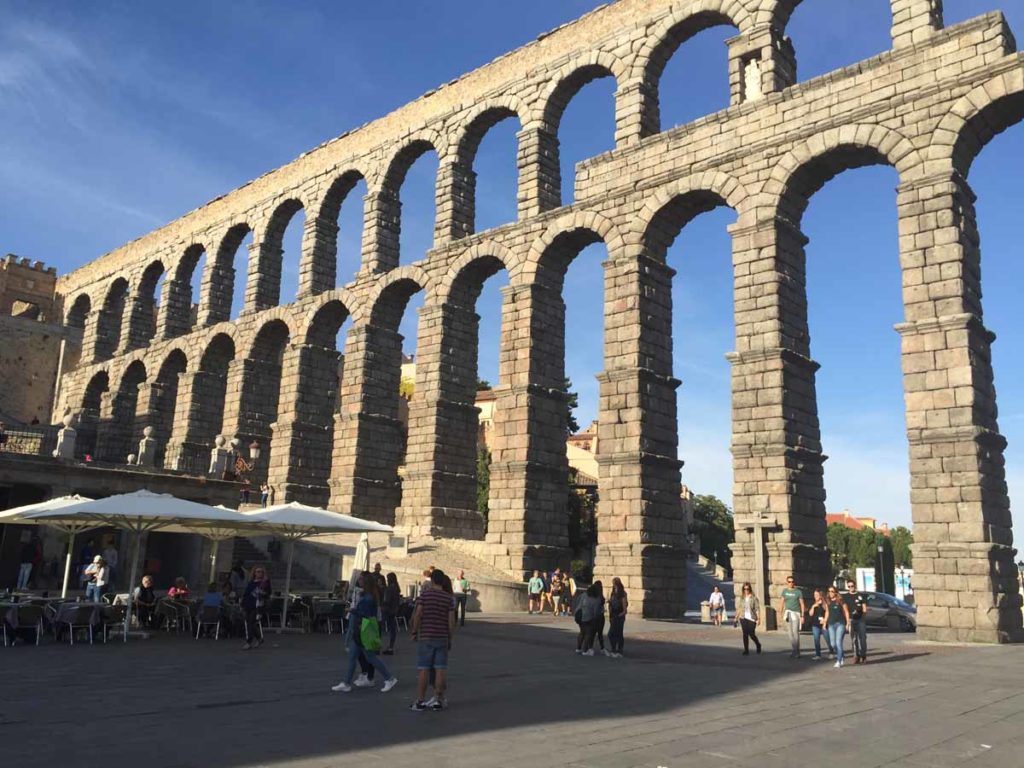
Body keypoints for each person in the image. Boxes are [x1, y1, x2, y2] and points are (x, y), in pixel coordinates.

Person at [331, 572, 398, 693]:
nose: (359, 581)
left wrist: (353, 611)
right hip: (363, 629)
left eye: (361, 579)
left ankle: (389, 678)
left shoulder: (368, 598)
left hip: (364, 629)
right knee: (357, 656)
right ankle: (346, 682)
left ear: (366, 582)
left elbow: (365, 614)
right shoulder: (369, 596)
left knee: (369, 657)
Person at [409, 569, 455, 711]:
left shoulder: (425, 595)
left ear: (433, 580)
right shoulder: (449, 598)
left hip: (426, 636)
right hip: (441, 637)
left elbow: (418, 614)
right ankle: (437, 699)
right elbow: (451, 621)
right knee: (440, 669)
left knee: (424, 669)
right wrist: (450, 637)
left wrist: (414, 631)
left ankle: (420, 700)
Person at [241, 566, 271, 650]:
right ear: (254, 573)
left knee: (251, 621)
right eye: (257, 571)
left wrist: (263, 593)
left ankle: (249, 641)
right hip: (248, 604)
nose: (259, 573)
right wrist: (243, 604)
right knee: (249, 623)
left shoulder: (265, 582)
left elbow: (268, 593)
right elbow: (246, 593)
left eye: (261, 571)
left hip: (258, 605)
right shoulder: (251, 582)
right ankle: (259, 638)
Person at [779, 575, 806, 659]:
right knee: (790, 633)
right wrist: (780, 613)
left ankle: (797, 651)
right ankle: (794, 649)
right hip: (788, 613)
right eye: (789, 582)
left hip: (796, 613)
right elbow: (782, 602)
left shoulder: (798, 592)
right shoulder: (785, 591)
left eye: (792, 582)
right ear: (787, 583)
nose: (791, 583)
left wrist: (802, 615)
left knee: (795, 632)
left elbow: (802, 604)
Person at [843, 579, 869, 664]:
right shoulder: (845, 596)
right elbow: (845, 609)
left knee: (863, 638)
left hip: (860, 619)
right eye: (849, 586)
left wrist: (864, 617)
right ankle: (856, 656)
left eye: (852, 586)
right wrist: (847, 621)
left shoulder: (860, 595)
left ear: (855, 586)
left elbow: (864, 608)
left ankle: (863, 655)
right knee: (854, 639)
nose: (850, 588)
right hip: (851, 619)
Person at [826, 585, 852, 669]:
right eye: (829, 591)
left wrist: (848, 622)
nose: (830, 593)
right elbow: (827, 612)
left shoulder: (841, 601)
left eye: (832, 591)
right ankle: (841, 655)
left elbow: (846, 611)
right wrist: (824, 622)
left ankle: (839, 660)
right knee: (833, 644)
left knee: (838, 642)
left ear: (836, 592)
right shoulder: (828, 601)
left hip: (840, 623)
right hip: (831, 624)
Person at [575, 581, 604, 656]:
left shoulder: (584, 595)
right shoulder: (596, 599)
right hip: (589, 618)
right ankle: (585, 650)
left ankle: (578, 648)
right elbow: (596, 612)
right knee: (588, 634)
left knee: (582, 632)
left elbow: (578, 602)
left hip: (580, 615)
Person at [734, 582, 762, 656]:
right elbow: (739, 608)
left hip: (752, 617)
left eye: (747, 589)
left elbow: (757, 609)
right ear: (743, 589)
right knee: (745, 634)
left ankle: (758, 644)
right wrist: (736, 618)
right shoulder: (742, 598)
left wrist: (759, 619)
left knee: (751, 633)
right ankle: (746, 650)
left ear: (750, 589)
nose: (746, 590)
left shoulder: (754, 598)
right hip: (743, 617)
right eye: (745, 589)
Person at [806, 588, 832, 661]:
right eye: (814, 595)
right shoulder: (813, 603)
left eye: (817, 595)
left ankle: (831, 652)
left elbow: (828, 612)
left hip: (824, 624)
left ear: (820, 595)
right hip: (815, 624)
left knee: (828, 639)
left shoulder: (825, 603)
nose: (815, 596)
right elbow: (810, 614)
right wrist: (813, 606)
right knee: (816, 640)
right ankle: (818, 654)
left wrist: (825, 620)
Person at [382, 571, 401, 655]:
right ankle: (391, 646)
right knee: (392, 629)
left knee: (385, 627)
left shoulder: (390, 588)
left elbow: (387, 600)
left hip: (388, 610)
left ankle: (388, 647)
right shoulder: (397, 588)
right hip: (394, 610)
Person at [607, 577, 628, 657]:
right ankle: (614, 649)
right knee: (613, 634)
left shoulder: (622, 594)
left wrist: (619, 615)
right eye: (613, 585)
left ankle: (619, 650)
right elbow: (611, 602)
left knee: (617, 633)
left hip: (619, 616)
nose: (614, 586)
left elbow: (625, 609)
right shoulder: (613, 593)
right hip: (612, 615)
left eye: (615, 585)